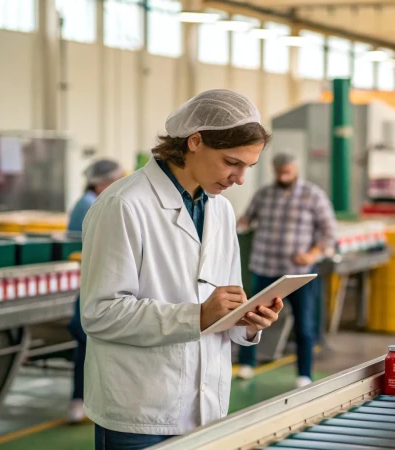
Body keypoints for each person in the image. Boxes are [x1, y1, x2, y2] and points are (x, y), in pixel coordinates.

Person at [79, 90, 283, 450]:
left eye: (248, 167)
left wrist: (247, 321)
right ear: (195, 142)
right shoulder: (124, 205)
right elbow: (100, 313)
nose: (239, 179)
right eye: (231, 162)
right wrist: (197, 316)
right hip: (139, 411)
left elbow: (226, 300)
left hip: (207, 408)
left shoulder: (219, 210)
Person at [235, 152, 337, 388]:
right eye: (279, 171)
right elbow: (247, 219)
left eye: (287, 171)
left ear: (295, 169)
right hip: (264, 268)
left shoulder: (313, 195)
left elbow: (329, 232)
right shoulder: (264, 194)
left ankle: (304, 373)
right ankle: (247, 364)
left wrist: (312, 255)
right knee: (251, 316)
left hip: (298, 273)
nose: (283, 175)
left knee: (304, 324)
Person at [66, 159, 125, 423]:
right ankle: (81, 400)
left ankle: (82, 400)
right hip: (95, 285)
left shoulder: (88, 202)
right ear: (103, 182)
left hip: (94, 284)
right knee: (88, 344)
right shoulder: (93, 205)